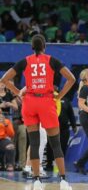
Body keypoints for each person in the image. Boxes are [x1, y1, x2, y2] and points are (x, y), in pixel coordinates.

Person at [0, 34, 76, 190]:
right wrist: (60, 96)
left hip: (30, 103)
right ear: (44, 47)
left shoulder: (25, 61)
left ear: (32, 47)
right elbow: (72, 78)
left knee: (34, 143)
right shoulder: (51, 60)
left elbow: (4, 79)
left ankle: (36, 181)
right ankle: (62, 180)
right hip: (46, 102)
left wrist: (18, 92)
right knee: (55, 143)